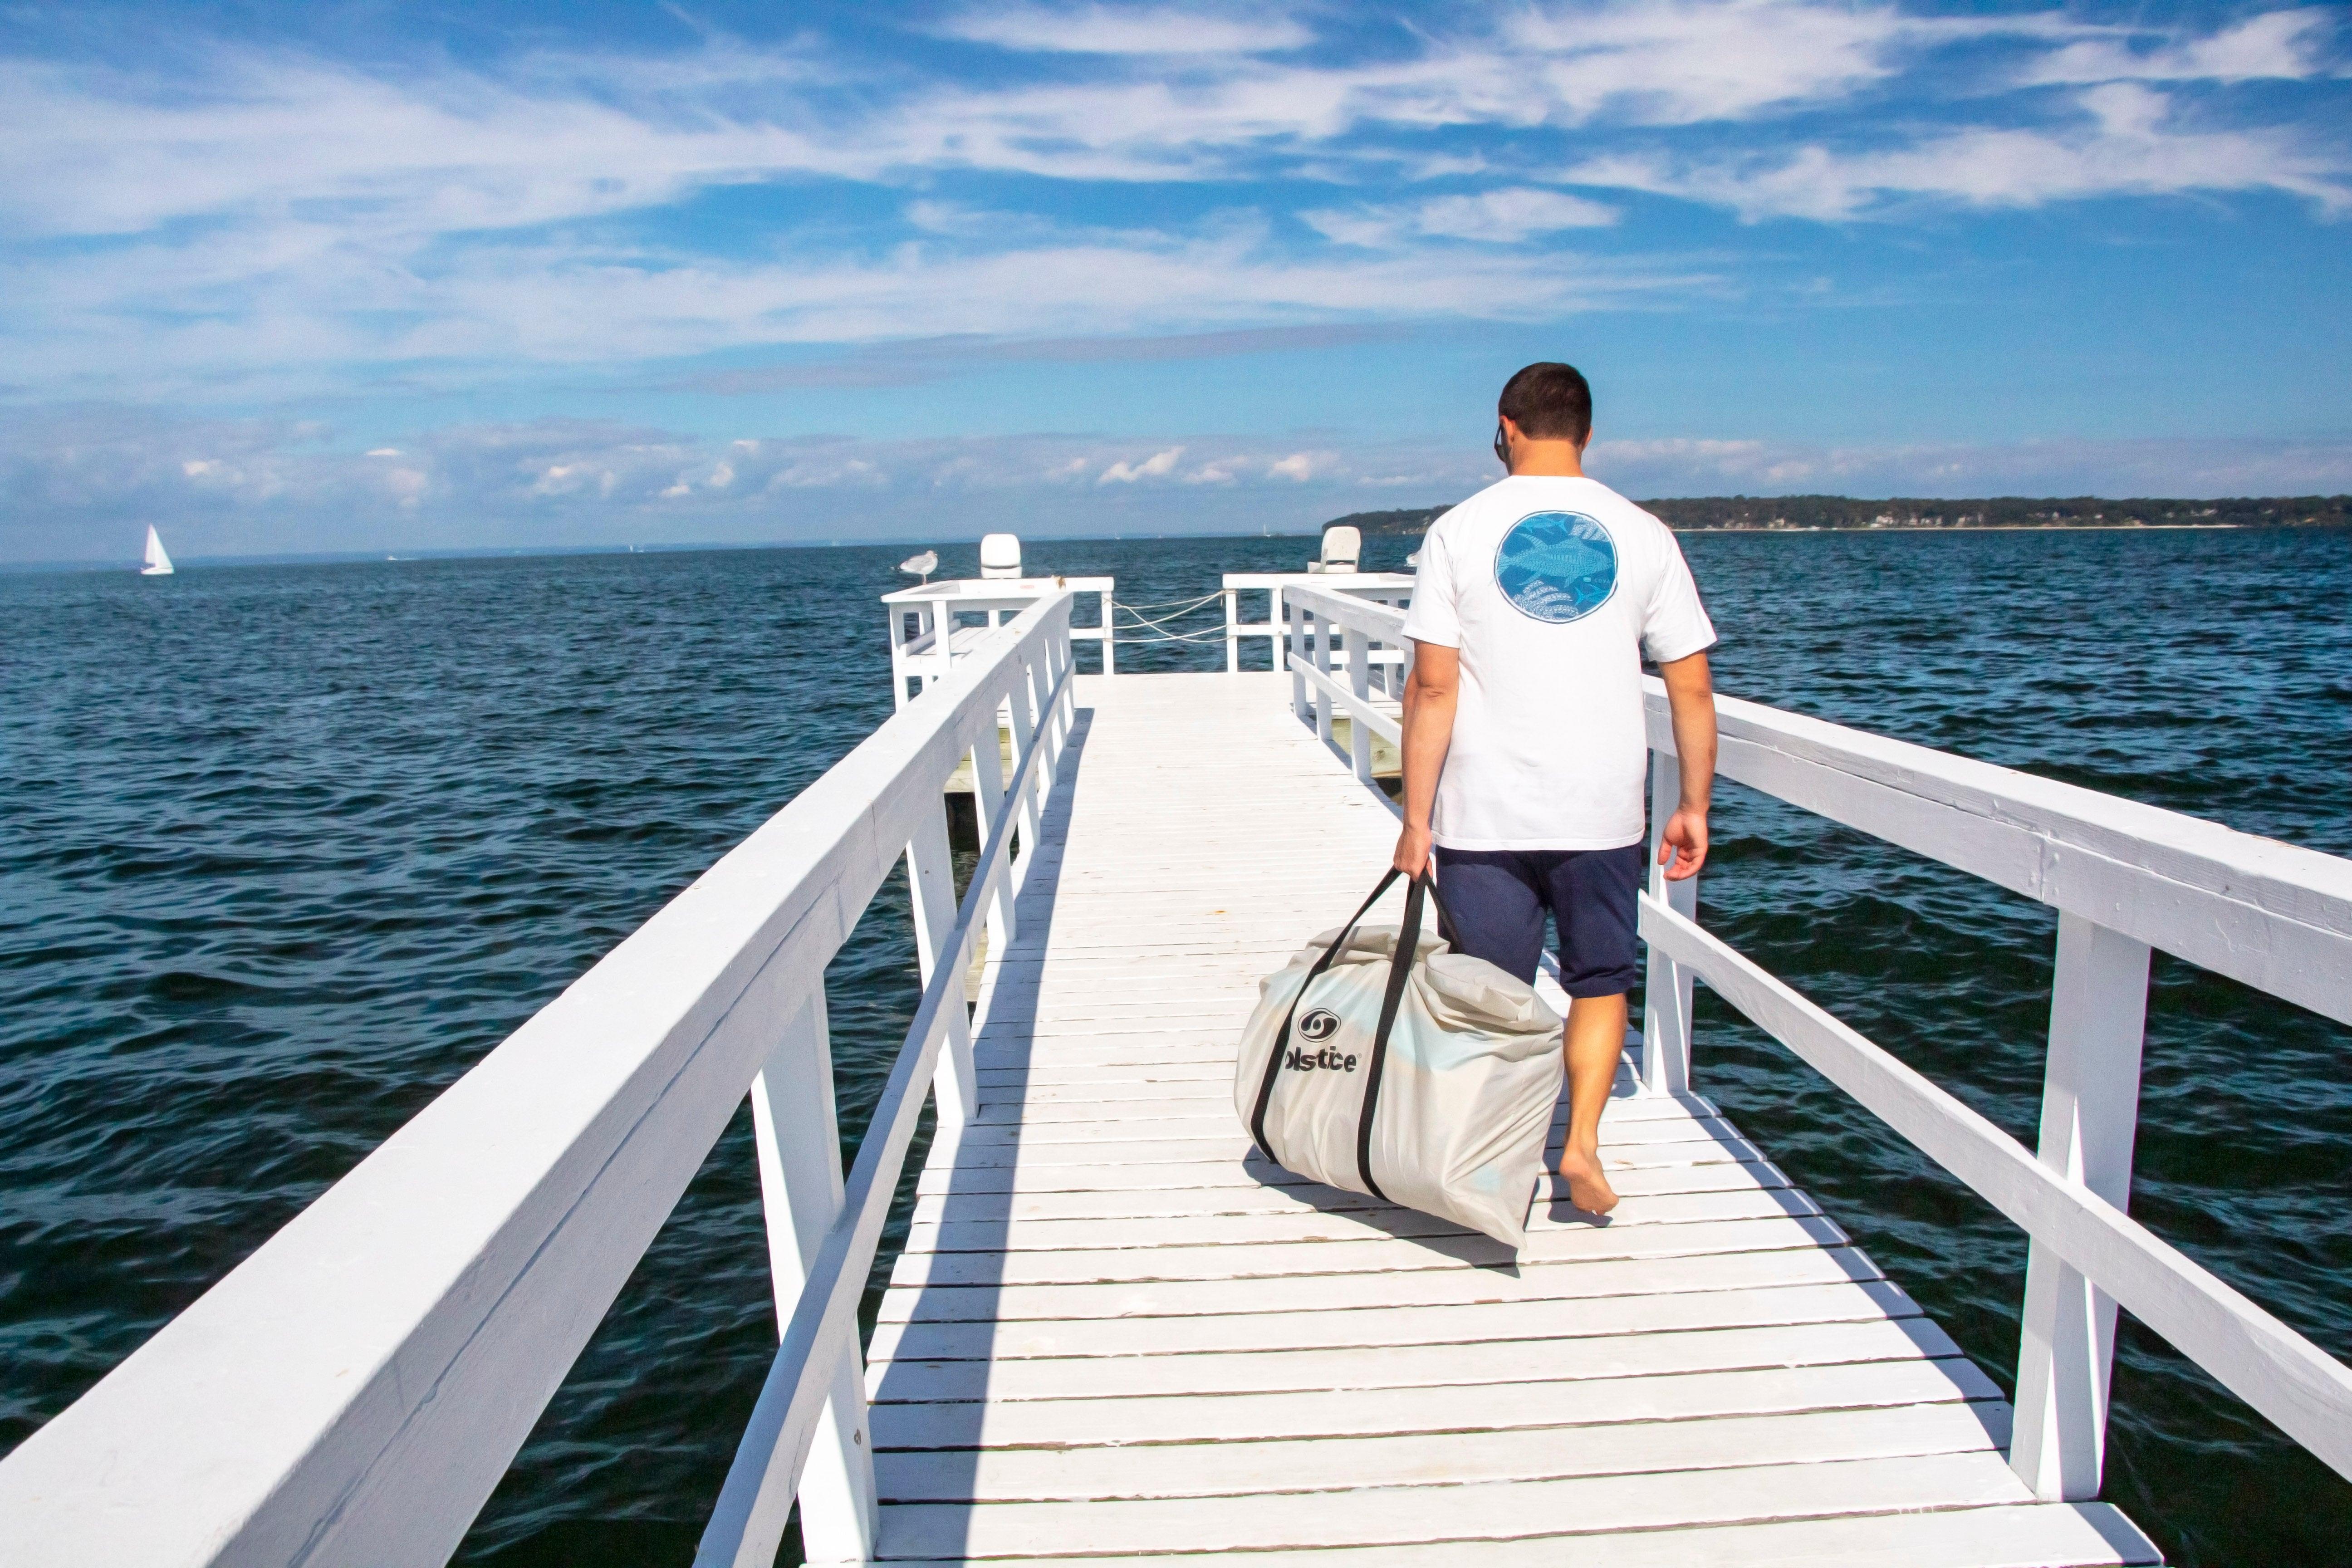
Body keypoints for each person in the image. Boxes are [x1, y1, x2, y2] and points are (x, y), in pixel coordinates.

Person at [1392, 361, 1719, 1216]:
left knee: (1488, 993)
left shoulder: (1457, 531)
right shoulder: (1643, 533)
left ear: (1505, 426)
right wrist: (1695, 805)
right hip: (1602, 805)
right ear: (1587, 432)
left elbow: (1432, 688)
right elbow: (1689, 684)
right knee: (1600, 981)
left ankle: (1489, 1159)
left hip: (1482, 808)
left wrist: (1415, 819)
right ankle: (1580, 1147)